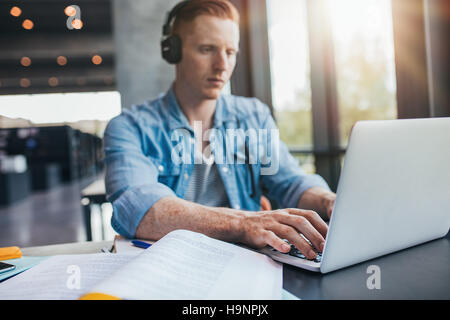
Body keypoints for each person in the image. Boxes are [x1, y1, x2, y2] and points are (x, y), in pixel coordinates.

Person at [104, 0, 336, 260]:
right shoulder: (130, 128)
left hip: (246, 264)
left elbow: (291, 182)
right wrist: (244, 223)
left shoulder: (253, 116)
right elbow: (137, 210)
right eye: (207, 49)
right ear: (173, 51)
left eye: (230, 52)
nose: (222, 65)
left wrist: (328, 200)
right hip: (171, 267)